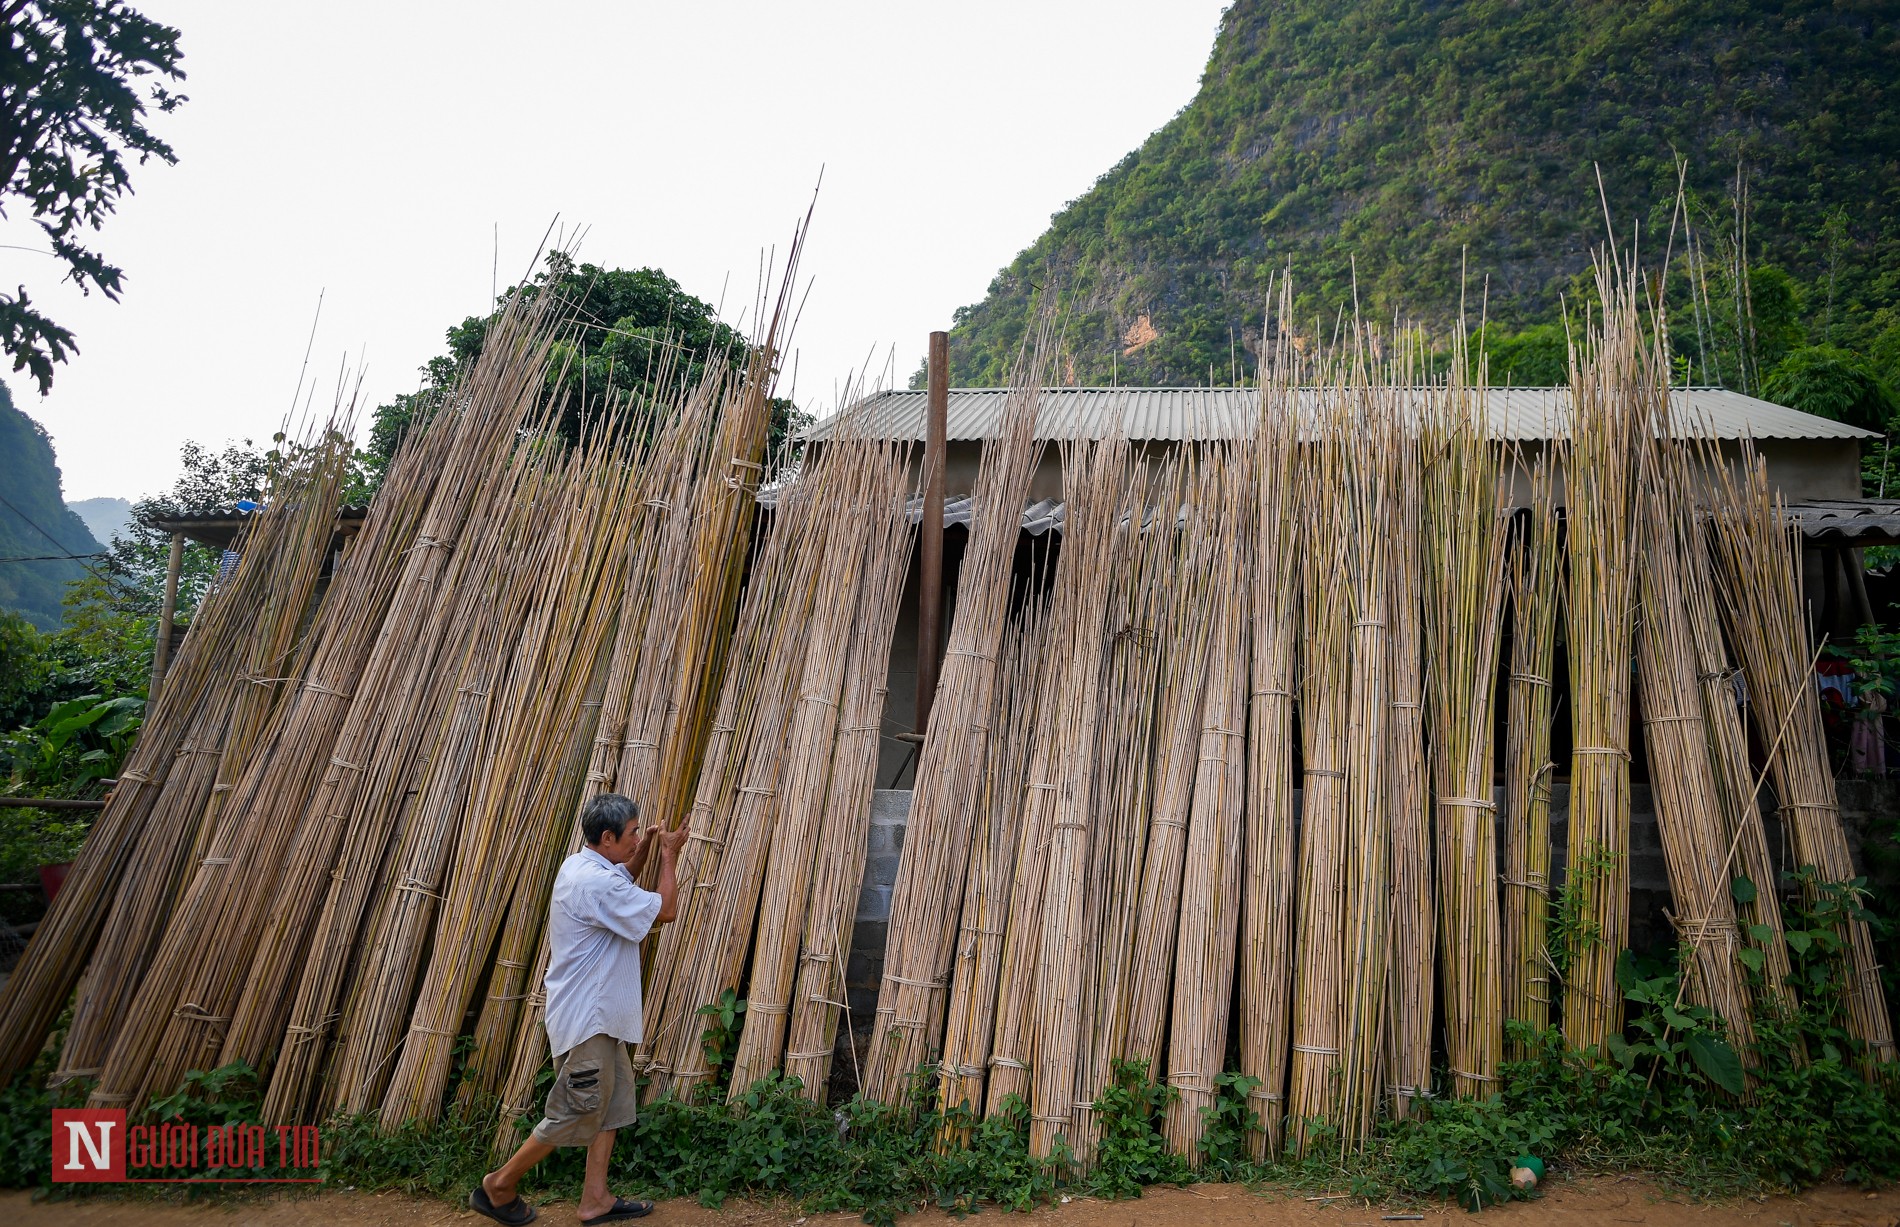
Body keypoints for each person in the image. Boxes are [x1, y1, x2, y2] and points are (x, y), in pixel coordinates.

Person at [471, 793, 687, 1226]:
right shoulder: (595, 883)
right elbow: (665, 911)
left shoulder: (581, 865)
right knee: (575, 1110)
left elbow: (620, 878)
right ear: (606, 837)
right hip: (589, 1021)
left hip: (599, 1018)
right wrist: (667, 856)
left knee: (610, 1109)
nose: (634, 839)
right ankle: (498, 1186)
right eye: (630, 835)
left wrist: (639, 854)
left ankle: (596, 1200)